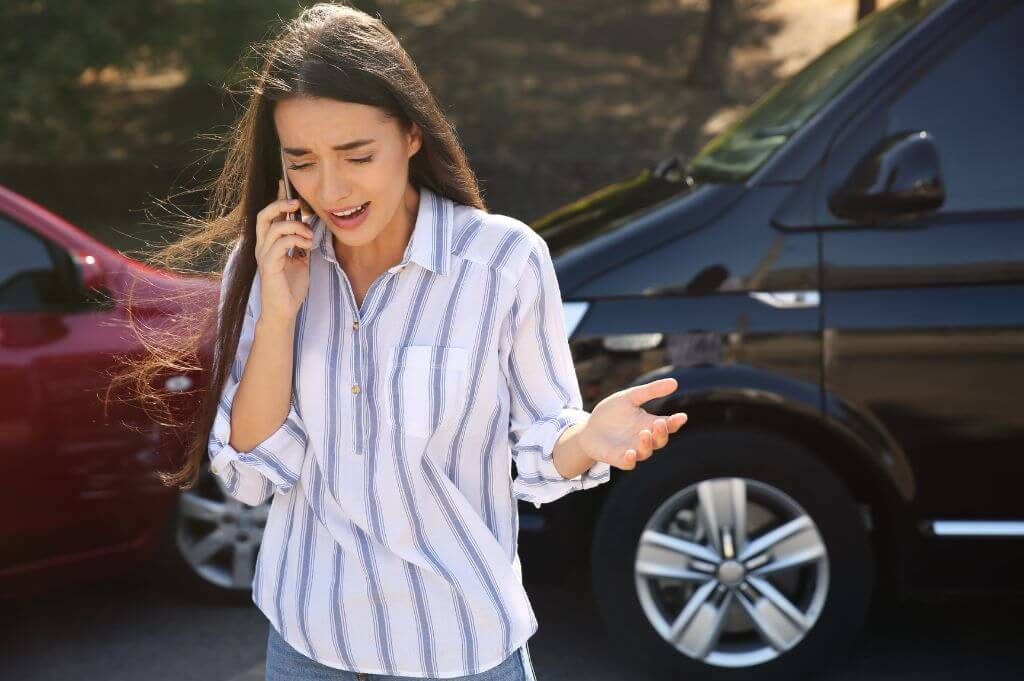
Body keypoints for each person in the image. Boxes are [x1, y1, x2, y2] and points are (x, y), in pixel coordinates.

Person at [139, 3, 688, 679]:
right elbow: (250, 474)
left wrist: (589, 439)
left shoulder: (503, 262)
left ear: (411, 135)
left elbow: (546, 440)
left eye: (356, 154)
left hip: (464, 648)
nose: (331, 189)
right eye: (302, 162)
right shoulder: (264, 267)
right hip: (310, 645)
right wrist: (278, 313)